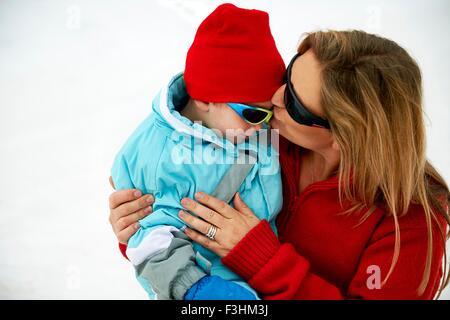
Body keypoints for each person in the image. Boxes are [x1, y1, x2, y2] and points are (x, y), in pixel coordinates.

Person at [109, 29, 450, 299]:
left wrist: (263, 259)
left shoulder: (411, 217)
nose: (272, 99)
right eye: (288, 77)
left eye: (295, 104)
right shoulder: (255, 139)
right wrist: (136, 224)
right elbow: (168, 225)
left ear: (347, 135)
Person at [110, 3, 286, 300]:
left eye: (272, 113)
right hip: (212, 286)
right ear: (206, 98)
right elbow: (149, 240)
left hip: (265, 276)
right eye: (255, 115)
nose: (264, 127)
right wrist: (198, 290)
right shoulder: (165, 158)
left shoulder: (241, 129)